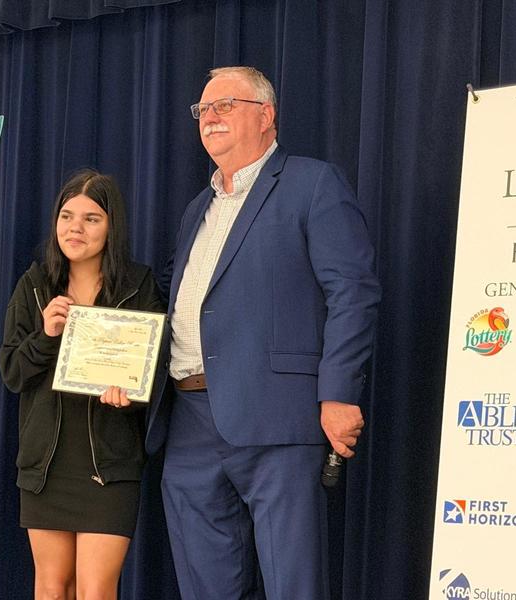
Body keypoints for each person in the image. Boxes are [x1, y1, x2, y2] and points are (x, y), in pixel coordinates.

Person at [145, 66, 381, 600]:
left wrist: (338, 393)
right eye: (203, 110)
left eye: (225, 105)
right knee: (205, 587)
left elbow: (352, 291)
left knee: (293, 584)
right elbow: (171, 299)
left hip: (278, 417)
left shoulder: (312, 184)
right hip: (188, 420)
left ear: (266, 115)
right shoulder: (197, 208)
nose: (210, 117)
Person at [0, 169, 165, 600]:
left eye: (91, 219)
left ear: (111, 228)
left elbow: (154, 374)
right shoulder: (35, 286)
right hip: (45, 466)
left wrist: (129, 397)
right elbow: (13, 372)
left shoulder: (139, 286)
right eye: (67, 216)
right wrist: (46, 335)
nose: (75, 228)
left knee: (95, 591)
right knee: (53, 589)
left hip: (109, 466)